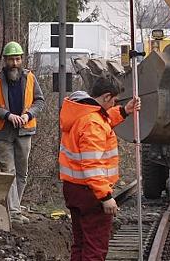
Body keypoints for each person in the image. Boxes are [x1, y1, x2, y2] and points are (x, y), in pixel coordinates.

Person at [58, 74, 140, 261]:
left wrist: (124, 111)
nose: (113, 104)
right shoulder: (92, 124)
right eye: (114, 101)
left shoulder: (81, 112)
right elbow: (92, 165)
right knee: (95, 248)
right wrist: (105, 196)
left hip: (74, 189)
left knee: (80, 244)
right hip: (91, 193)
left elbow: (103, 119)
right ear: (106, 97)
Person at [0, 41, 46, 223]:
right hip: (2, 132)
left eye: (17, 59)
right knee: (8, 171)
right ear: (5, 61)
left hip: (25, 131)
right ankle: (15, 213)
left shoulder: (30, 78)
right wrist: (7, 115)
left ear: (22, 59)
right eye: (11, 59)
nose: (14, 63)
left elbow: (40, 101)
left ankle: (13, 207)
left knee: (22, 172)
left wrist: (28, 114)